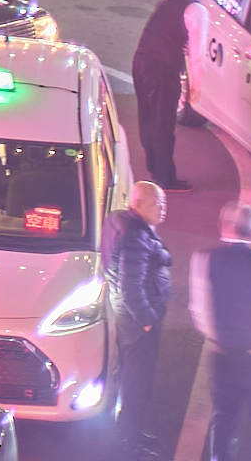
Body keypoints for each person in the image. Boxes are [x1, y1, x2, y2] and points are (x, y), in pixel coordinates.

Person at [187, 203, 251, 461]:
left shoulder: (204, 259)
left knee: (224, 423)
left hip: (224, 356)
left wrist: (220, 335)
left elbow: (200, 312)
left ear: (224, 227)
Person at [107, 182, 172, 459]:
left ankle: (131, 434)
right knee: (137, 384)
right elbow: (130, 287)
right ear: (139, 203)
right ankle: (128, 441)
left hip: (129, 318)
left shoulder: (122, 224)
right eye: (158, 203)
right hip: (137, 323)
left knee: (132, 381)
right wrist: (148, 320)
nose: (163, 209)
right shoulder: (135, 235)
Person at [132, 0, 195, 189]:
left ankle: (153, 166)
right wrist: (195, 87)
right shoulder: (195, 8)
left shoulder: (170, 0)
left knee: (147, 116)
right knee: (164, 123)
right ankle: (166, 177)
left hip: (141, 60)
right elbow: (198, 55)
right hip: (164, 68)